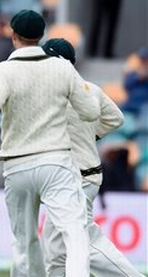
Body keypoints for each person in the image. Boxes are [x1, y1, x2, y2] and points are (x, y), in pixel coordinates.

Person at [0, 9, 100, 276]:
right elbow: (91, 112)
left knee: (24, 243)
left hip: (17, 167)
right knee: (75, 233)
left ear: (13, 35)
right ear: (41, 36)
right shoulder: (62, 67)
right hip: (55, 163)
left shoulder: (2, 71)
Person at [40, 38, 144, 277]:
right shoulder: (90, 89)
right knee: (56, 248)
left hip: (75, 178)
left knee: (85, 241)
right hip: (79, 176)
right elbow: (116, 118)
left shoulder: (52, 93)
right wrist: (91, 136)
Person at [121, 47, 148, 116]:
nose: (144, 61)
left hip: (145, 106)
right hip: (131, 104)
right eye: (142, 59)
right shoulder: (133, 74)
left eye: (146, 59)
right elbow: (127, 86)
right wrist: (138, 78)